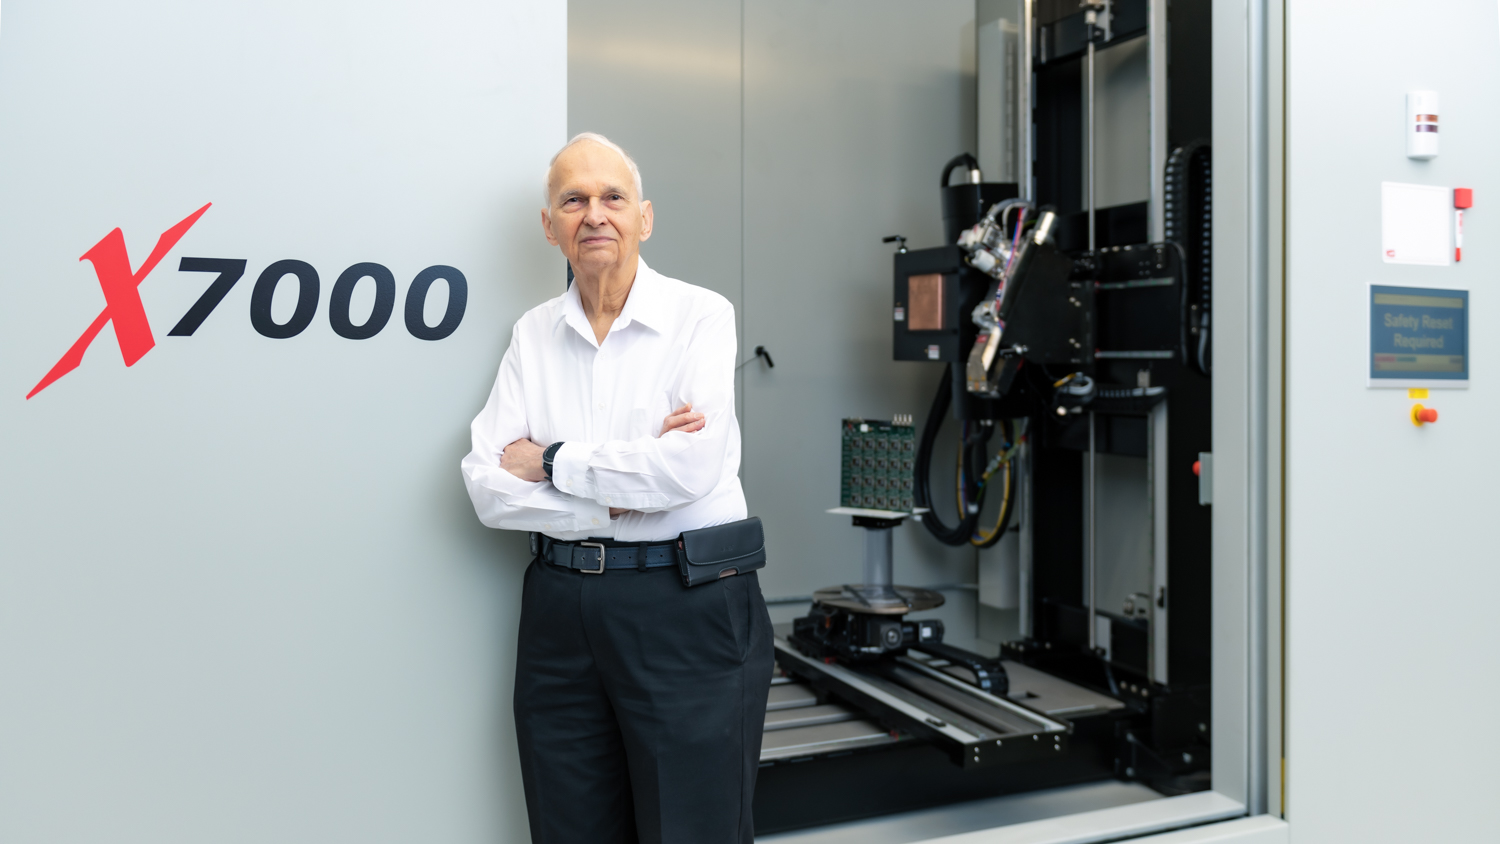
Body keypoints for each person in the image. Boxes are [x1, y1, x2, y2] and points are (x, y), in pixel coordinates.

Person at [460, 132, 773, 844]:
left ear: (644, 217)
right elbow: (485, 483)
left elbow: (687, 470)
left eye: (613, 197)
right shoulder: (532, 334)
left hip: (685, 606)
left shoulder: (701, 316)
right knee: (567, 827)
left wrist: (549, 460)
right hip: (559, 612)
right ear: (550, 226)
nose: (594, 214)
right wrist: (615, 494)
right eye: (573, 200)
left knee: (692, 830)